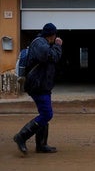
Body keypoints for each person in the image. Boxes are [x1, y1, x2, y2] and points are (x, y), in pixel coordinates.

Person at [13, 23, 63, 155]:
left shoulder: (43, 43)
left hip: (42, 84)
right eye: (55, 35)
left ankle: (41, 145)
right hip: (37, 85)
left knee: (44, 114)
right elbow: (51, 57)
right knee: (47, 114)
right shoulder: (40, 44)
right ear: (52, 35)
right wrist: (58, 46)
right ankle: (21, 136)